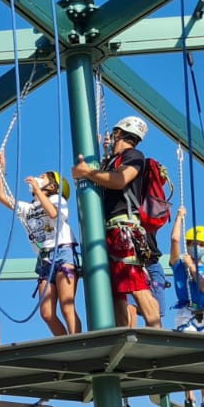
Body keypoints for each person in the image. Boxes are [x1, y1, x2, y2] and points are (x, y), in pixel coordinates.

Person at [71, 116, 162, 328]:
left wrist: (88, 172)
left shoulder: (134, 156)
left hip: (124, 228)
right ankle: (121, 336)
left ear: (119, 133)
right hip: (110, 230)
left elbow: (120, 180)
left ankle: (158, 332)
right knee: (116, 292)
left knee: (136, 283)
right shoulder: (112, 160)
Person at [0, 150, 79, 336]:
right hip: (44, 259)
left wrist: (38, 190)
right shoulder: (29, 208)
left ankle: (78, 341)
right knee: (46, 313)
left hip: (63, 252)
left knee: (67, 305)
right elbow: (0, 196)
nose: (38, 179)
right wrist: (0, 169)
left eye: (43, 177)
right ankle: (65, 343)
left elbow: (54, 214)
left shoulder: (58, 199)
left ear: (54, 185)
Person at [168, 208, 204, 407]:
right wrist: (178, 218)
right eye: (193, 243)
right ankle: (189, 394)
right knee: (189, 353)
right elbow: (174, 241)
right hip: (186, 311)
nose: (197, 247)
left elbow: (203, 285)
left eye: (201, 244)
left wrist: (192, 268)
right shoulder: (178, 265)